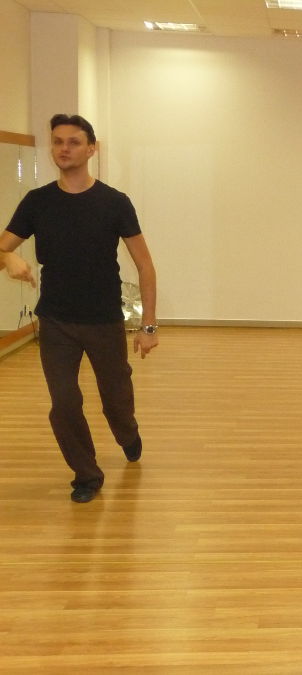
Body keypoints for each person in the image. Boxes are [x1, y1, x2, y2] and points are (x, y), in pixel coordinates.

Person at [0, 113, 159, 504]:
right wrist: (8, 258)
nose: (64, 148)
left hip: (104, 320)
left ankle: (127, 433)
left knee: (115, 399)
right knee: (64, 403)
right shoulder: (37, 202)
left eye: (73, 142)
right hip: (55, 321)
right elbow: (1, 247)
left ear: (91, 149)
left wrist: (148, 327)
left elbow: (144, 265)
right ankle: (86, 474)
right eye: (57, 141)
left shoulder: (114, 202)